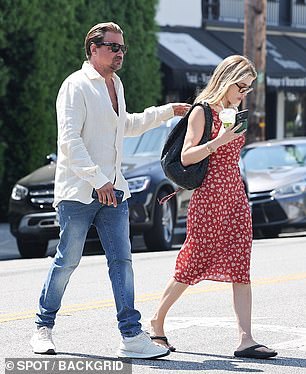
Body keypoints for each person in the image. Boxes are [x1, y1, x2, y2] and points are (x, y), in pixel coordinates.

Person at [30, 22, 190, 359]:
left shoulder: (114, 83)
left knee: (122, 262)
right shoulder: (76, 85)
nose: (119, 53)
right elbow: (69, 141)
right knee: (68, 261)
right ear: (93, 48)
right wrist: (96, 179)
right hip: (79, 193)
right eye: (112, 47)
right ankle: (43, 327)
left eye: (122, 48)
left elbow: (125, 125)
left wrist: (166, 112)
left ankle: (131, 336)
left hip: (114, 190)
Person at [149, 55, 278, 359]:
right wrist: (218, 140)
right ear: (226, 79)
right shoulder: (202, 111)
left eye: (248, 89)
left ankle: (245, 339)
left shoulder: (235, 112)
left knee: (240, 266)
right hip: (209, 197)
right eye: (241, 86)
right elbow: (186, 156)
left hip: (235, 195)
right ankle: (156, 321)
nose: (244, 93)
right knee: (193, 262)